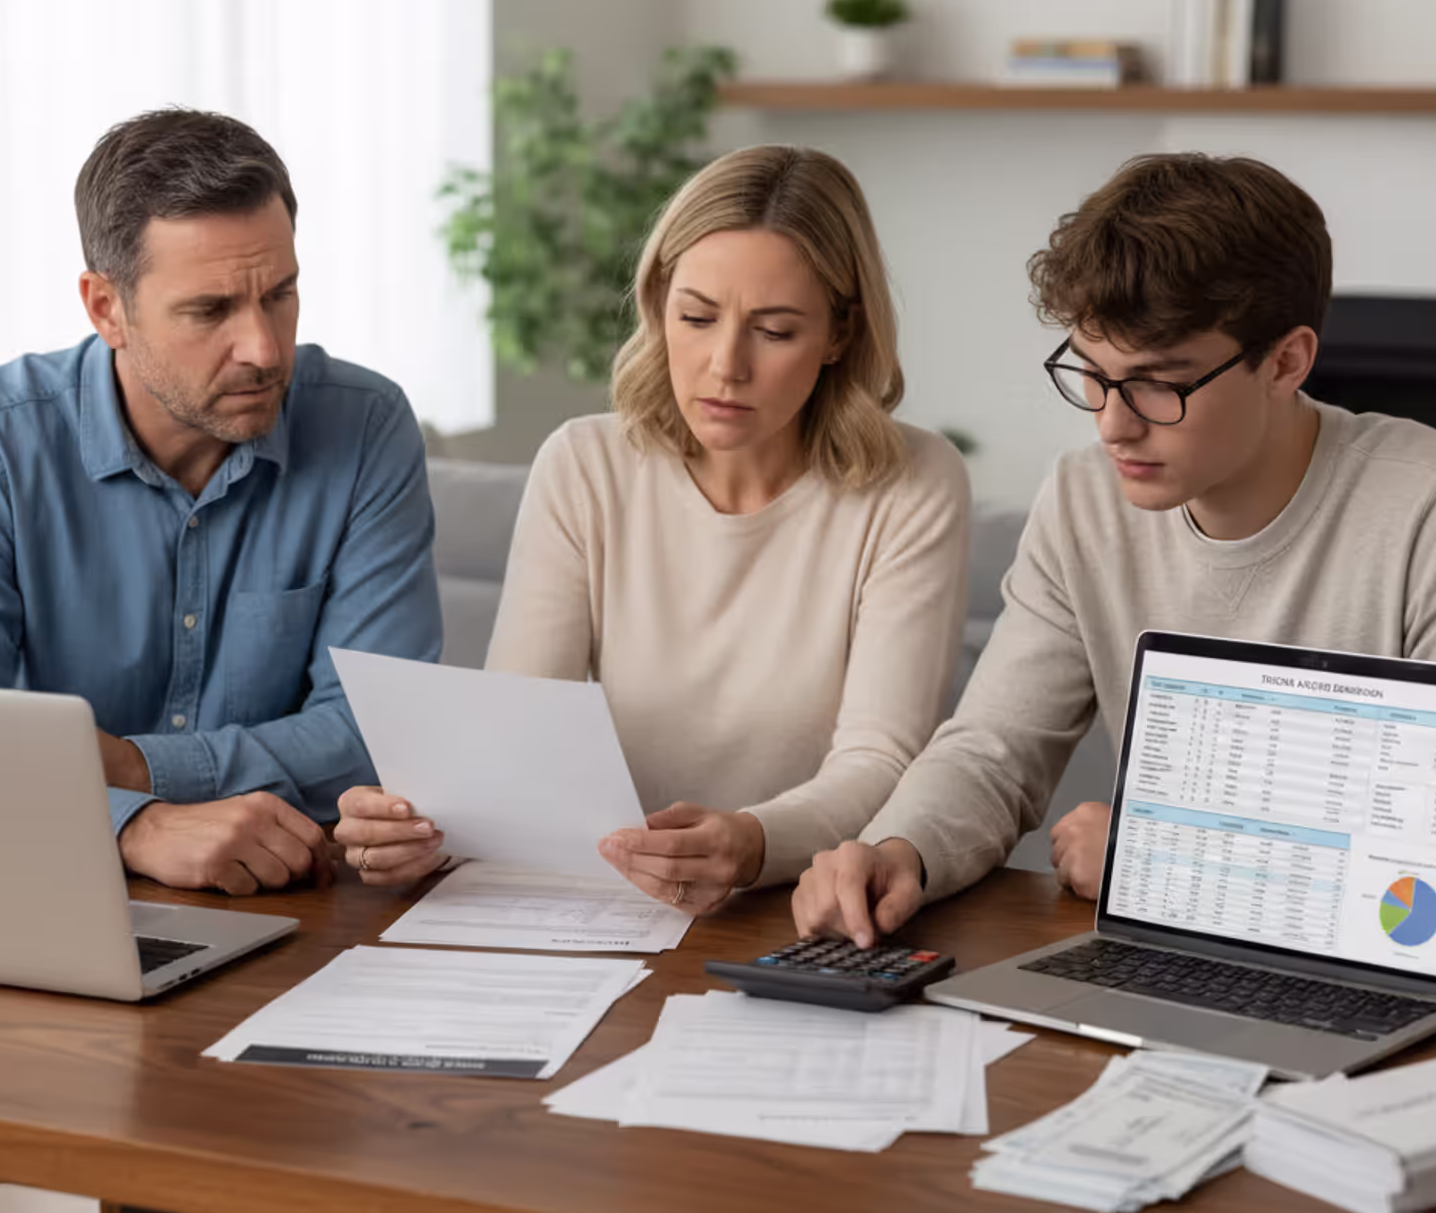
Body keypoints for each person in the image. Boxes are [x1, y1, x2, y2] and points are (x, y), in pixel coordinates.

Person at [0, 108, 442, 1212]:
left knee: (210, 1164)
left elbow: (369, 732)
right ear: (105, 307)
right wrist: (141, 829)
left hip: (283, 923)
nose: (264, 345)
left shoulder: (364, 429)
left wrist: (127, 766)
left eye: (280, 293)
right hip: (6, 912)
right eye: (211, 309)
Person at [791, 152, 1436, 947]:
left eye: (1158, 384)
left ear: (1287, 361)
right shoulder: (1084, 499)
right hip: (1166, 964)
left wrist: (1164, 861)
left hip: (1382, 988)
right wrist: (901, 851)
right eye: (1092, 375)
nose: (1112, 424)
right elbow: (994, 753)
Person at [334, 145, 971, 912]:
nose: (724, 366)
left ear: (840, 335)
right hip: (597, 904)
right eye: (696, 318)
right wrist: (417, 826)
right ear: (658, 304)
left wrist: (752, 842)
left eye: (774, 332)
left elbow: (883, 759)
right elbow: (522, 725)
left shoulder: (914, 484)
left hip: (802, 909)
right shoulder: (584, 463)